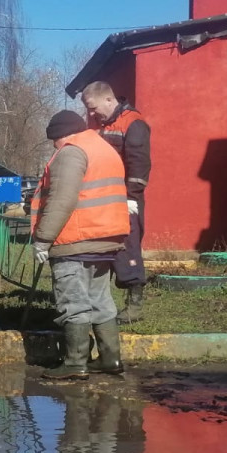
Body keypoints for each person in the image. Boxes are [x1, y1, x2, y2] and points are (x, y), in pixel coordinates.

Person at [32, 110, 131, 380]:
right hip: (105, 240)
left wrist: (43, 240)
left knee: (73, 302)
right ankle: (111, 359)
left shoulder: (72, 152)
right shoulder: (104, 148)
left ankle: (76, 363)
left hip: (76, 240)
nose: (56, 148)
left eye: (55, 143)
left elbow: (61, 200)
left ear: (62, 135)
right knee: (100, 299)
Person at [80, 81, 151, 323]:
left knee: (127, 247)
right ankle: (100, 302)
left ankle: (135, 306)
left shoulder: (133, 123)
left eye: (92, 108)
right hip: (102, 200)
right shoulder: (98, 125)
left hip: (124, 200)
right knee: (102, 249)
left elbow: (139, 164)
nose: (90, 114)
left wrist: (130, 197)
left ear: (109, 100)